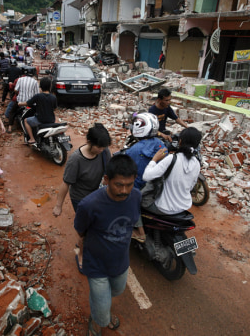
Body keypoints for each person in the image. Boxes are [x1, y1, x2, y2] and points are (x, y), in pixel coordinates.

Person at [73, 154, 140, 336]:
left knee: (116, 291)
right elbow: (80, 230)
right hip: (96, 265)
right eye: (119, 184)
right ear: (106, 180)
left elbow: (135, 218)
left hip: (121, 262)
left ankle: (99, 308)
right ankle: (96, 322)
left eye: (129, 184)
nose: (124, 190)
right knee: (102, 307)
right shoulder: (89, 205)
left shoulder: (136, 196)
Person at [53, 124, 112, 271]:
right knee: (86, 229)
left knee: (99, 224)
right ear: (90, 142)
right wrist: (58, 205)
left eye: (104, 147)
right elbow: (66, 183)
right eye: (99, 147)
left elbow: (110, 169)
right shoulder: (76, 160)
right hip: (81, 198)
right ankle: (80, 253)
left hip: (98, 193)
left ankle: (88, 243)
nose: (102, 150)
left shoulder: (104, 152)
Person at [142, 127, 202, 215]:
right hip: (184, 206)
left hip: (164, 208)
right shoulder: (196, 163)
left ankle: (139, 227)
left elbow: (146, 176)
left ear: (180, 141)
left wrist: (154, 160)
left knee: (137, 200)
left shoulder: (172, 158)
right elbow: (191, 186)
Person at [124, 112, 166, 190]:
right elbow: (165, 152)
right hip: (154, 188)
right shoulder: (160, 144)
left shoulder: (133, 150)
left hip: (135, 189)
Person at [18, 77, 57, 145]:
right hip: (51, 120)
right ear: (50, 86)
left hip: (40, 120)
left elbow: (27, 103)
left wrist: (19, 103)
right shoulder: (53, 97)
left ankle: (32, 139)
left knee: (26, 121)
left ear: (41, 87)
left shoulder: (38, 96)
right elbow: (55, 108)